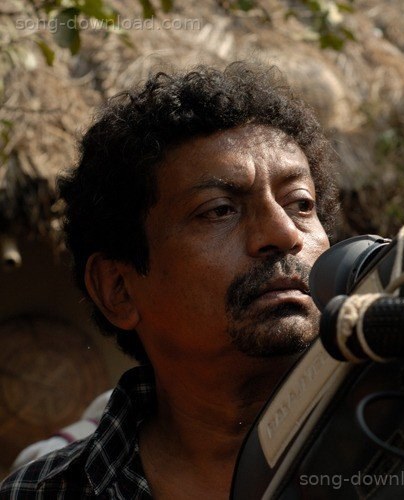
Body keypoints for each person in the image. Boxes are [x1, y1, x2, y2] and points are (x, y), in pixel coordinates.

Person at [0, 62, 339, 499]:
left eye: (301, 203)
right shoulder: (44, 493)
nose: (284, 233)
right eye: (219, 210)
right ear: (118, 289)